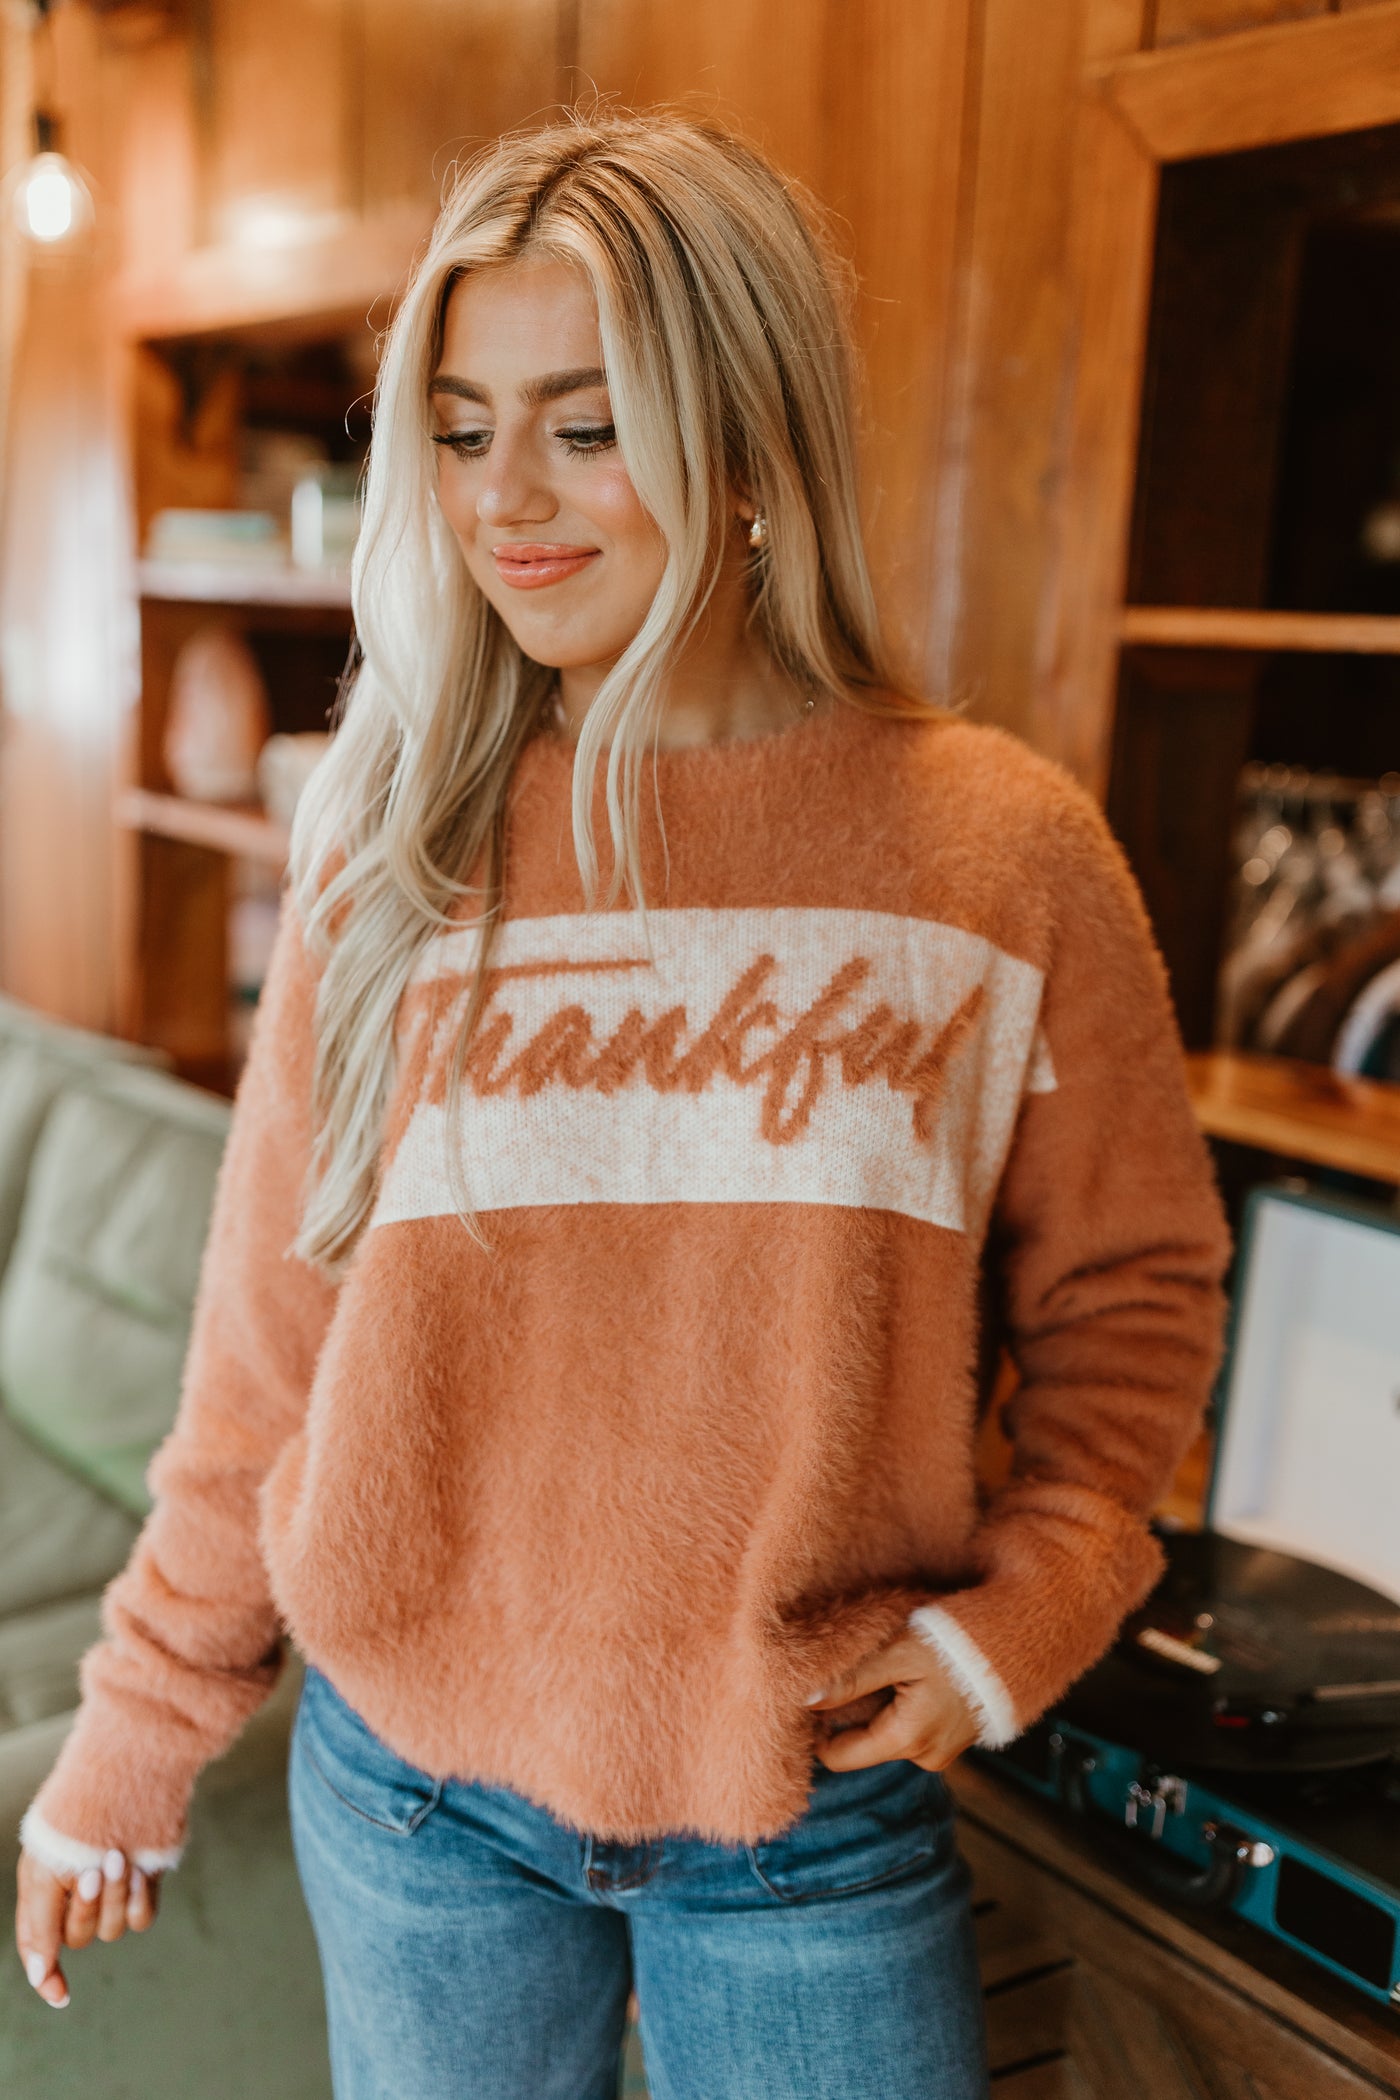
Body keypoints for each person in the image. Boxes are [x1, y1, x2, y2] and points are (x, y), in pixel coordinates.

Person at [13, 110, 1233, 2099]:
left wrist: (1038, 1599)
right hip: (408, 1801)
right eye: (465, 426)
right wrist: (135, 1740)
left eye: (585, 425)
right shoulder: (390, 840)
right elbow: (266, 1358)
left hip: (807, 1811)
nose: (508, 499)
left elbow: (1135, 1288)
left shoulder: (997, 855)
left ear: (746, 447)